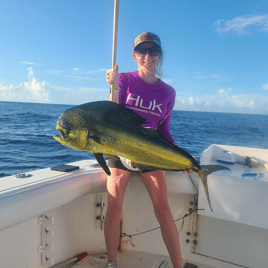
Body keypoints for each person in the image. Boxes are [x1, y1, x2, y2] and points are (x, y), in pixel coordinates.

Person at [105, 32, 191, 268]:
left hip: (150, 152)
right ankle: (111, 263)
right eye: (142, 51)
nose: (148, 55)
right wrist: (112, 86)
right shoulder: (123, 80)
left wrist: (181, 157)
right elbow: (111, 116)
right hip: (120, 149)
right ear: (134, 55)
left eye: (153, 51)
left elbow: (164, 131)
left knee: (163, 209)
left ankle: (178, 266)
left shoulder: (168, 93)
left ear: (159, 55)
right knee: (114, 205)